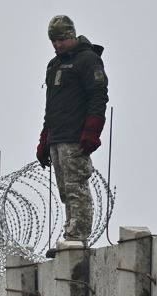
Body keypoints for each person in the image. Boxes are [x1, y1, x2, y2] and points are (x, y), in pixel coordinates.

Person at [35, 14, 108, 256]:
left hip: (76, 136)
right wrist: (45, 138)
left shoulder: (88, 60)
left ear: (71, 36)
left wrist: (92, 131)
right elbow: (52, 106)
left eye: (61, 40)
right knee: (65, 190)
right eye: (53, 41)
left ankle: (77, 237)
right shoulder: (54, 65)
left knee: (76, 187)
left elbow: (98, 96)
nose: (57, 45)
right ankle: (70, 234)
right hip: (57, 135)